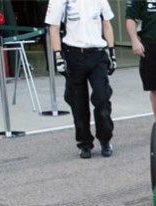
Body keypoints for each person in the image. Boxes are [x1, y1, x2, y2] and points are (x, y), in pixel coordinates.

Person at [45, 0, 117, 159]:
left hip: (97, 54)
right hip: (73, 55)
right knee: (78, 102)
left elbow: (106, 23)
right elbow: (54, 28)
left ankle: (105, 140)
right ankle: (84, 143)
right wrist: (58, 56)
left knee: (102, 99)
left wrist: (111, 51)